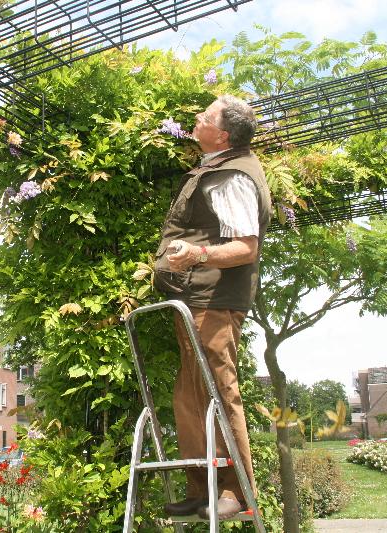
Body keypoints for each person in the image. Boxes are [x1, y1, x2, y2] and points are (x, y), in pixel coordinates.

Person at [153, 95, 271, 520]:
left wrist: (197, 254)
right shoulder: (214, 168)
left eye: (205, 116)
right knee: (190, 393)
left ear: (222, 134)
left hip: (213, 300)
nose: (196, 118)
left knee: (219, 390)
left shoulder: (232, 175)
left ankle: (236, 494)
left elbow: (245, 247)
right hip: (193, 300)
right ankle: (202, 489)